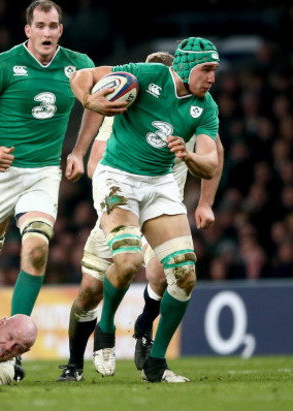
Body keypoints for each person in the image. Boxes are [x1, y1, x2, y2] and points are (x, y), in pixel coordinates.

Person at [57, 51, 225, 383]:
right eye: (207, 70)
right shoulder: (126, 95)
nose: (213, 78)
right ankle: (82, 354)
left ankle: (152, 352)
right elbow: (95, 160)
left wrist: (200, 190)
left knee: (180, 272)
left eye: (214, 71)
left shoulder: (203, 108)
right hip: (119, 186)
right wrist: (89, 103)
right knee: (103, 279)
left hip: (162, 195)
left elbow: (213, 158)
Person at [0, 0, 95, 380]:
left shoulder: (78, 64)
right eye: (41, 26)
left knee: (37, 248)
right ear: (28, 30)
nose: (48, 32)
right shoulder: (5, 64)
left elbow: (96, 102)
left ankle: (16, 348)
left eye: (54, 26)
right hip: (0, 172)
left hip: (43, 173)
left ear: (61, 30)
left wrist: (79, 151)